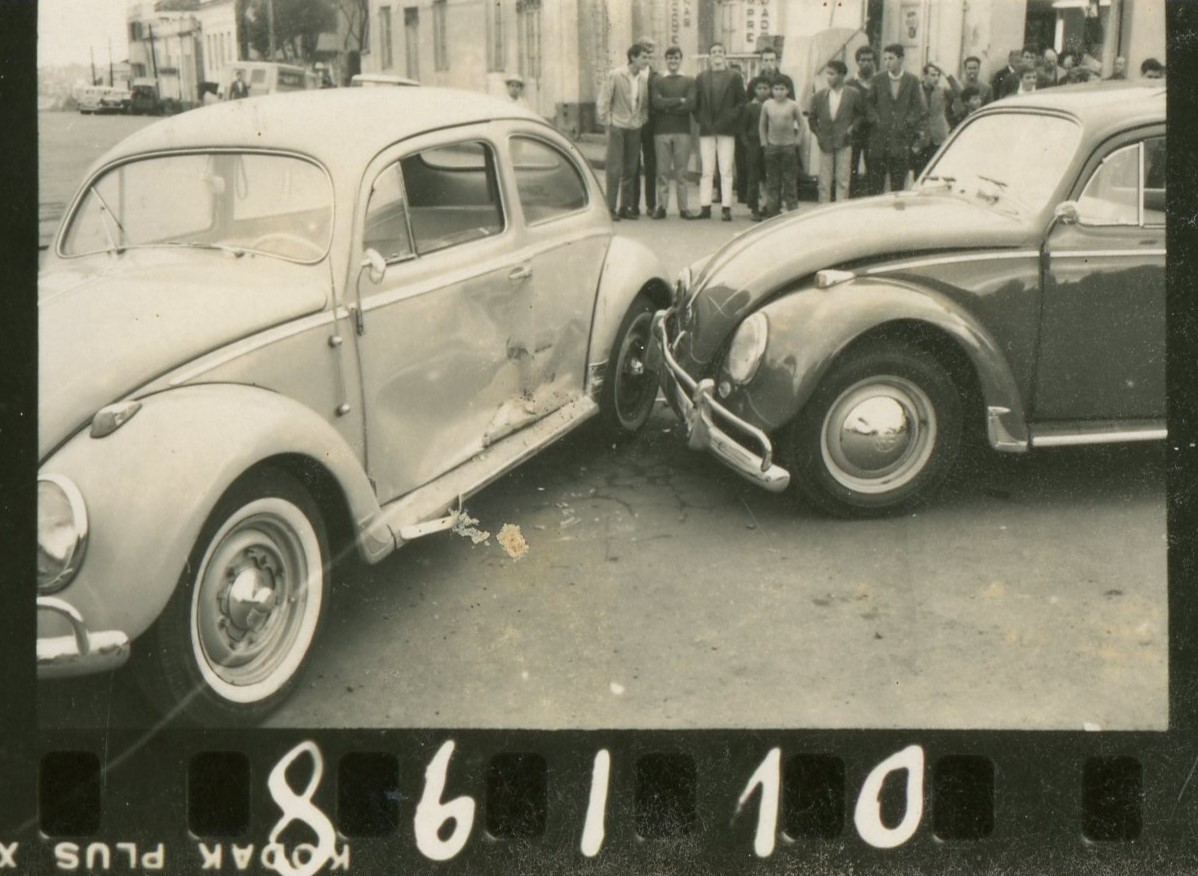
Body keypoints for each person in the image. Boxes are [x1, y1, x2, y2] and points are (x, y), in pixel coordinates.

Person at [693, 43, 746, 221]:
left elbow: (741, 101)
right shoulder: (701, 77)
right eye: (714, 52)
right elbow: (696, 103)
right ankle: (705, 207)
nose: (717, 54)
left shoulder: (734, 77)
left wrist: (729, 118)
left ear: (725, 55)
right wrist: (702, 119)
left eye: (720, 52)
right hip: (707, 128)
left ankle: (726, 208)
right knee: (707, 170)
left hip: (726, 128)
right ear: (709, 56)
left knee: (726, 169)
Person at [597, 44, 649, 221]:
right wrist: (609, 121)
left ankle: (624, 207)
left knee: (631, 168)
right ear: (633, 57)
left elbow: (644, 103)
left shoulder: (643, 79)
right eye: (643, 57)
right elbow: (604, 100)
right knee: (614, 168)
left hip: (634, 127)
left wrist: (641, 119)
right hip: (617, 126)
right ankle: (610, 207)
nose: (647, 61)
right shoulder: (615, 75)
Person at [865, 43, 926, 195]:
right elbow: (868, 103)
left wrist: (907, 123)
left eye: (891, 58)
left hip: (900, 139)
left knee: (897, 183)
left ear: (901, 59)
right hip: (879, 138)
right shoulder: (878, 79)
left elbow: (917, 107)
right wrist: (875, 120)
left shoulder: (912, 80)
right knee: (876, 183)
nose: (887, 62)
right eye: (885, 59)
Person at [808, 60, 864, 205]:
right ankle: (823, 207)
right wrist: (819, 134)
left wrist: (852, 128)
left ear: (841, 75)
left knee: (843, 179)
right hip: (825, 142)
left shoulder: (853, 94)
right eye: (827, 73)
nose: (828, 77)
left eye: (832, 74)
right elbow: (812, 119)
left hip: (844, 141)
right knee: (824, 180)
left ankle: (841, 208)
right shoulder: (819, 96)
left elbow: (860, 115)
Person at [651, 45, 697, 219]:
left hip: (682, 131)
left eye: (676, 58)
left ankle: (683, 208)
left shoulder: (689, 81)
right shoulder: (658, 80)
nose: (673, 61)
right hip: (661, 131)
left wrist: (667, 106)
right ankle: (661, 207)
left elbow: (690, 105)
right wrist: (679, 100)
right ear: (666, 60)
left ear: (680, 59)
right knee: (662, 171)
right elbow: (656, 103)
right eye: (670, 58)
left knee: (681, 172)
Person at [759, 77, 802, 217]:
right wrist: (764, 142)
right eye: (776, 89)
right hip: (772, 147)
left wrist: (797, 141)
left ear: (788, 90)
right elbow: (762, 125)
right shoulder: (767, 105)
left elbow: (802, 125)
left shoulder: (793, 105)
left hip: (788, 147)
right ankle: (772, 212)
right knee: (772, 182)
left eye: (782, 89)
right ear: (772, 90)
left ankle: (793, 212)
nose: (779, 92)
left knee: (789, 181)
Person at [630, 38, 658, 217]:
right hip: (632, 124)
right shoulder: (630, 74)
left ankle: (651, 204)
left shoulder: (656, 76)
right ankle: (634, 204)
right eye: (644, 51)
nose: (647, 55)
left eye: (650, 52)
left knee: (650, 164)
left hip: (650, 125)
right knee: (633, 164)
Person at [914, 63, 956, 176]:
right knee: (919, 174)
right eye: (933, 75)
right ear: (924, 76)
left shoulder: (943, 91)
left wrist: (946, 74)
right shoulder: (916, 90)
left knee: (937, 172)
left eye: (938, 75)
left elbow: (960, 92)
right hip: (921, 140)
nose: (936, 78)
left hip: (939, 138)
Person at [846, 45, 876, 197]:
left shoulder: (878, 82)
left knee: (872, 166)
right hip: (856, 131)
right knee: (852, 166)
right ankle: (852, 197)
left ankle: (871, 198)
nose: (866, 63)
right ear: (857, 62)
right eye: (863, 60)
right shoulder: (850, 83)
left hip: (873, 130)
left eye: (870, 60)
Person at [741, 78, 770, 219]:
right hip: (753, 145)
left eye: (765, 88)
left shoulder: (772, 105)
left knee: (767, 176)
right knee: (754, 177)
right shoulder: (749, 107)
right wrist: (747, 144)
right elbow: (742, 128)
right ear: (754, 90)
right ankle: (754, 207)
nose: (762, 91)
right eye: (759, 88)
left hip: (769, 145)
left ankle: (767, 205)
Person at [950, 56, 990, 126]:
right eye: (969, 68)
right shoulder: (957, 86)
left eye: (975, 68)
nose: (972, 71)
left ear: (979, 69)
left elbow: (988, 108)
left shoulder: (986, 88)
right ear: (965, 69)